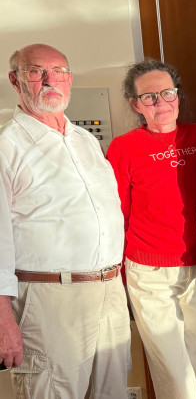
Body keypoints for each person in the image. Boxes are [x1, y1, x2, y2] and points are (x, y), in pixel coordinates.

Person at [106, 59, 196, 399]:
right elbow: (116, 217)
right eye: (149, 97)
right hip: (149, 274)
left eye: (167, 93)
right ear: (135, 104)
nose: (161, 103)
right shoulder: (123, 148)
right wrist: (119, 279)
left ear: (178, 96)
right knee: (174, 374)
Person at [0, 44, 130, 398]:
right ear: (16, 80)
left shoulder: (84, 140)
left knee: (113, 392)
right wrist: (2, 319)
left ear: (69, 80)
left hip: (109, 291)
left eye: (58, 71)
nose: (48, 80)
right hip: (48, 299)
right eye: (35, 71)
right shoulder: (7, 147)